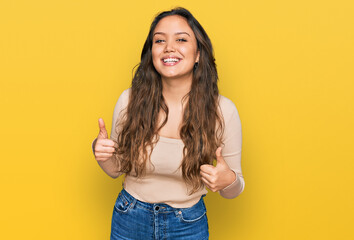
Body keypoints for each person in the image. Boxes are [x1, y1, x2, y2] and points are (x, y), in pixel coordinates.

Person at [92, 7, 245, 240]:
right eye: (159, 40)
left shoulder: (223, 110)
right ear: (151, 52)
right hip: (129, 217)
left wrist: (229, 180)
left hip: (188, 224)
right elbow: (115, 169)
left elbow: (234, 189)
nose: (168, 48)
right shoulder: (129, 100)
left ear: (198, 55)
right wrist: (102, 152)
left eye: (181, 39)